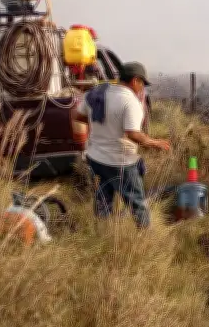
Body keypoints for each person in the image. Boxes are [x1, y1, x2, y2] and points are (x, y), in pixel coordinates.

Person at [72, 62, 171, 228]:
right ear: (135, 80)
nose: (142, 88)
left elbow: (76, 115)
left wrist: (97, 125)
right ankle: (144, 237)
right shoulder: (130, 102)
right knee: (137, 202)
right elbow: (133, 134)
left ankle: (103, 230)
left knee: (104, 197)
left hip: (96, 159)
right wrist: (156, 143)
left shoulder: (97, 93)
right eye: (142, 84)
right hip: (120, 162)